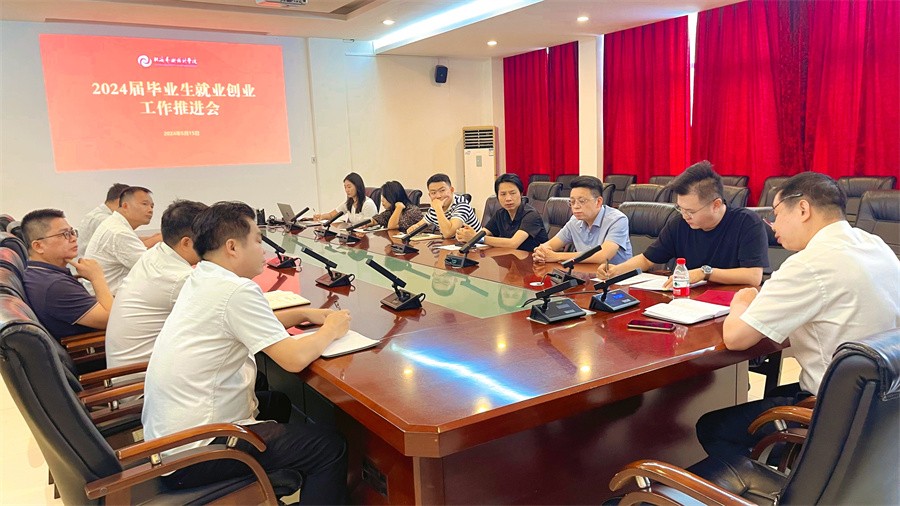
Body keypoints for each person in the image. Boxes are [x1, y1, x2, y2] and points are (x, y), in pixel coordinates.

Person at [142, 201, 349, 504]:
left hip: (170, 442)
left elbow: (240, 323)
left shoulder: (203, 277)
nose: (263, 250)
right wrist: (331, 329)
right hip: (198, 451)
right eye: (257, 240)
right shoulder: (236, 291)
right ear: (232, 247)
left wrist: (305, 314)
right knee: (329, 447)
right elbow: (293, 360)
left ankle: (271, 487)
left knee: (277, 402)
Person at [696, 172, 900, 459]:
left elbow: (736, 338)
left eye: (777, 214)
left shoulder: (808, 264)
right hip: (881, 406)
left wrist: (742, 301)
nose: (773, 225)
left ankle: (776, 480)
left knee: (713, 427)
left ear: (803, 209)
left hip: (834, 413)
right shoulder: (875, 244)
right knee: (772, 396)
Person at [597, 161, 767, 286]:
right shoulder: (679, 223)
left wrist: (704, 273)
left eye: (690, 211)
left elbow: (753, 276)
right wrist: (617, 270)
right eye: (680, 209)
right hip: (689, 302)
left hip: (732, 303)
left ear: (716, 205)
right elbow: (647, 260)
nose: (685, 216)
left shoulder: (747, 222)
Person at [105, 200, 208, 369]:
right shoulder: (178, 278)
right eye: (209, 239)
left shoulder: (155, 254)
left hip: (132, 370)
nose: (214, 244)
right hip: (141, 379)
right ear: (186, 243)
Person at [21, 209, 112, 339]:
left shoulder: (39, 272)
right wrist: (97, 277)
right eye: (64, 234)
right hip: (96, 346)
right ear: (38, 246)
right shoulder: (55, 286)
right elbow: (112, 320)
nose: (74, 239)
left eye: (72, 232)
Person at [533, 175, 632, 264]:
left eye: (582, 201)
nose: (575, 206)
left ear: (598, 202)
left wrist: (556, 256)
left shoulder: (617, 220)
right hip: (584, 274)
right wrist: (540, 252)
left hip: (615, 276)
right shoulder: (575, 220)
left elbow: (603, 256)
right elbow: (549, 245)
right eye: (572, 202)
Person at [83, 186, 158, 295]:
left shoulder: (116, 224)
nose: (150, 210)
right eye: (144, 204)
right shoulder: (119, 232)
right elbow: (152, 268)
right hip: (107, 298)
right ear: (125, 206)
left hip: (107, 294)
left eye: (152, 206)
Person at [457, 173, 548, 252]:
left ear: (521, 194)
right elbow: (483, 233)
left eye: (512, 193)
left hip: (533, 262)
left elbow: (513, 243)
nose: (508, 198)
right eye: (503, 194)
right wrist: (465, 235)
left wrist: (477, 238)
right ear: (497, 197)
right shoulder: (500, 214)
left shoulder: (531, 215)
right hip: (510, 259)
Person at [413, 173, 481, 238]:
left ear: (451, 190)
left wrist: (438, 209)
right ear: (429, 195)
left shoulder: (462, 204)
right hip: (453, 244)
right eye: (433, 193)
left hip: (476, 244)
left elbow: (448, 233)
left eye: (442, 190)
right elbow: (419, 226)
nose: (438, 196)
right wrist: (413, 229)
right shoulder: (435, 207)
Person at [77, 183, 129, 257]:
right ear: (120, 201)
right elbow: (125, 244)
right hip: (86, 261)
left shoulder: (99, 214)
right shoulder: (103, 219)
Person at [312, 172, 377, 224]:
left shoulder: (368, 204)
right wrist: (321, 216)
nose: (346, 190)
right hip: (354, 234)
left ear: (357, 186)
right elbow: (331, 215)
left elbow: (370, 225)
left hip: (367, 235)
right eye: (345, 187)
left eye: (349, 187)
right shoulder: (349, 203)